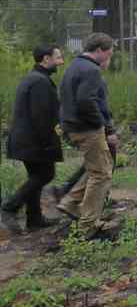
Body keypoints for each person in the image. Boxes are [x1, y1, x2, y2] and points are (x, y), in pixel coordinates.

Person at [56, 33, 118, 238]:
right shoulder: (91, 70)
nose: (110, 57)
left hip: (73, 126)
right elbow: (86, 101)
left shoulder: (74, 66)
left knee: (98, 168)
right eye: (109, 53)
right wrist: (104, 128)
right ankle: (88, 225)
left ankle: (71, 202)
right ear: (99, 50)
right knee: (101, 174)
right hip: (87, 129)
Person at [2, 44, 65, 234]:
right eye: (58, 57)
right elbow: (41, 116)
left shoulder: (34, 78)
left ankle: (34, 219)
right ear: (46, 59)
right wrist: (48, 143)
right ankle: (10, 207)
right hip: (33, 141)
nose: (61, 62)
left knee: (36, 177)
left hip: (25, 140)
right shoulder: (40, 82)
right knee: (45, 175)